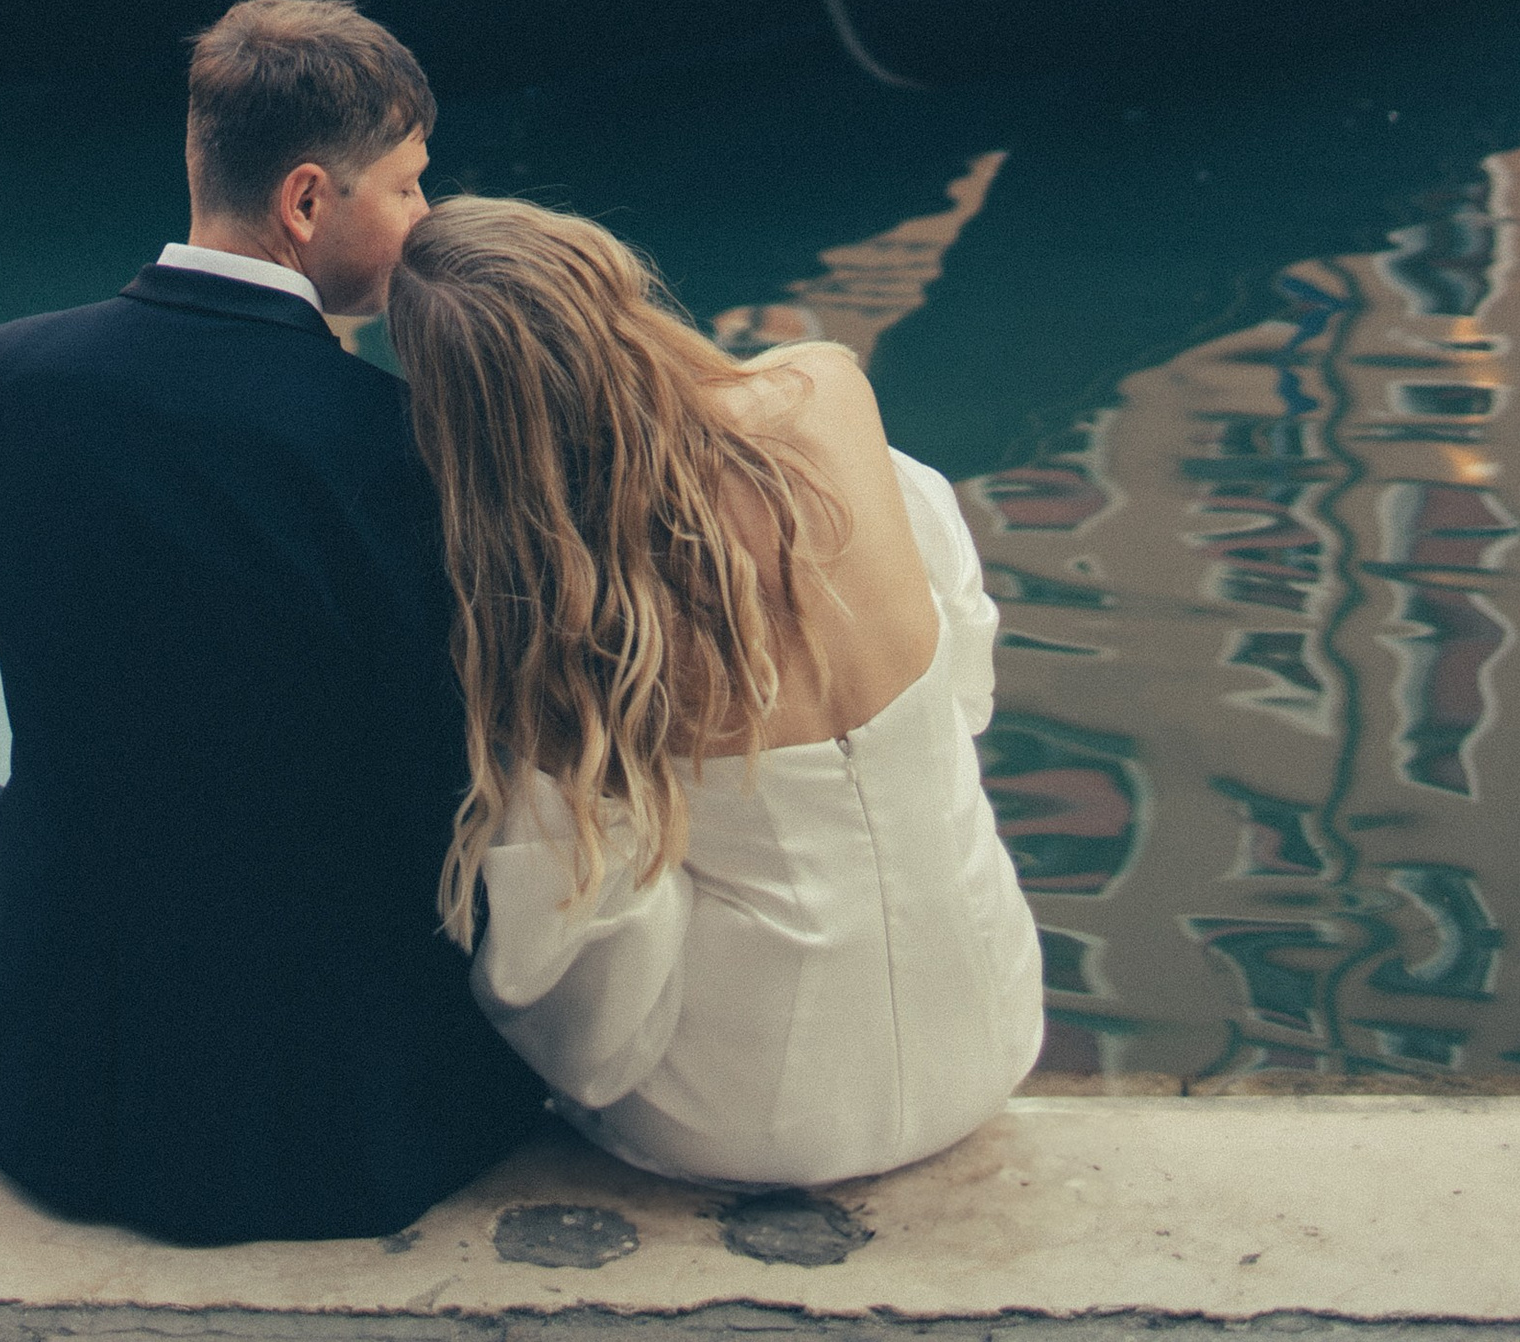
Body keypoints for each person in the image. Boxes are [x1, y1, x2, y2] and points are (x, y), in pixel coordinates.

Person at [0, 0, 542, 1247]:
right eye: (408, 186)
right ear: (307, 201)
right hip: (344, 1127)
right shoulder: (404, 447)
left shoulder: (4, 377)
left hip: (47, 1093)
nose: (424, 219)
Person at [383, 196, 1043, 1189]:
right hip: (991, 1026)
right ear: (612, 281)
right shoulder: (825, 392)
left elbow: (591, 1001)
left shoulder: (569, 618)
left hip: (749, 1118)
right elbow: (962, 666)